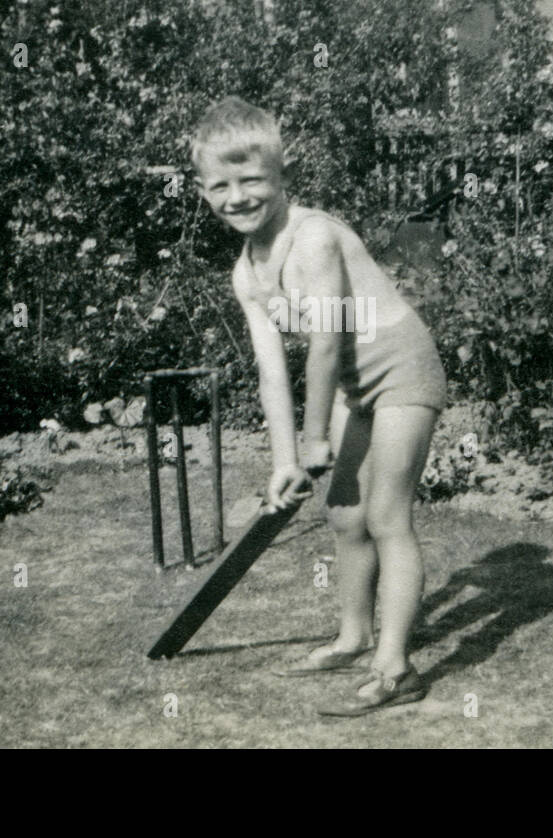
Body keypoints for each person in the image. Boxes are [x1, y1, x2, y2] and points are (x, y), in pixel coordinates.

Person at [191, 97, 447, 716]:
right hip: (355, 388)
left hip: (402, 369)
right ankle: (355, 636)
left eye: (251, 180)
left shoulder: (312, 239)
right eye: (220, 186)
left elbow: (327, 343)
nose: (237, 197)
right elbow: (272, 372)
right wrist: (286, 458)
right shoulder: (247, 273)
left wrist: (314, 442)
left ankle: (396, 667)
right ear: (202, 191)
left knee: (387, 516)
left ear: (281, 175)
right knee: (343, 515)